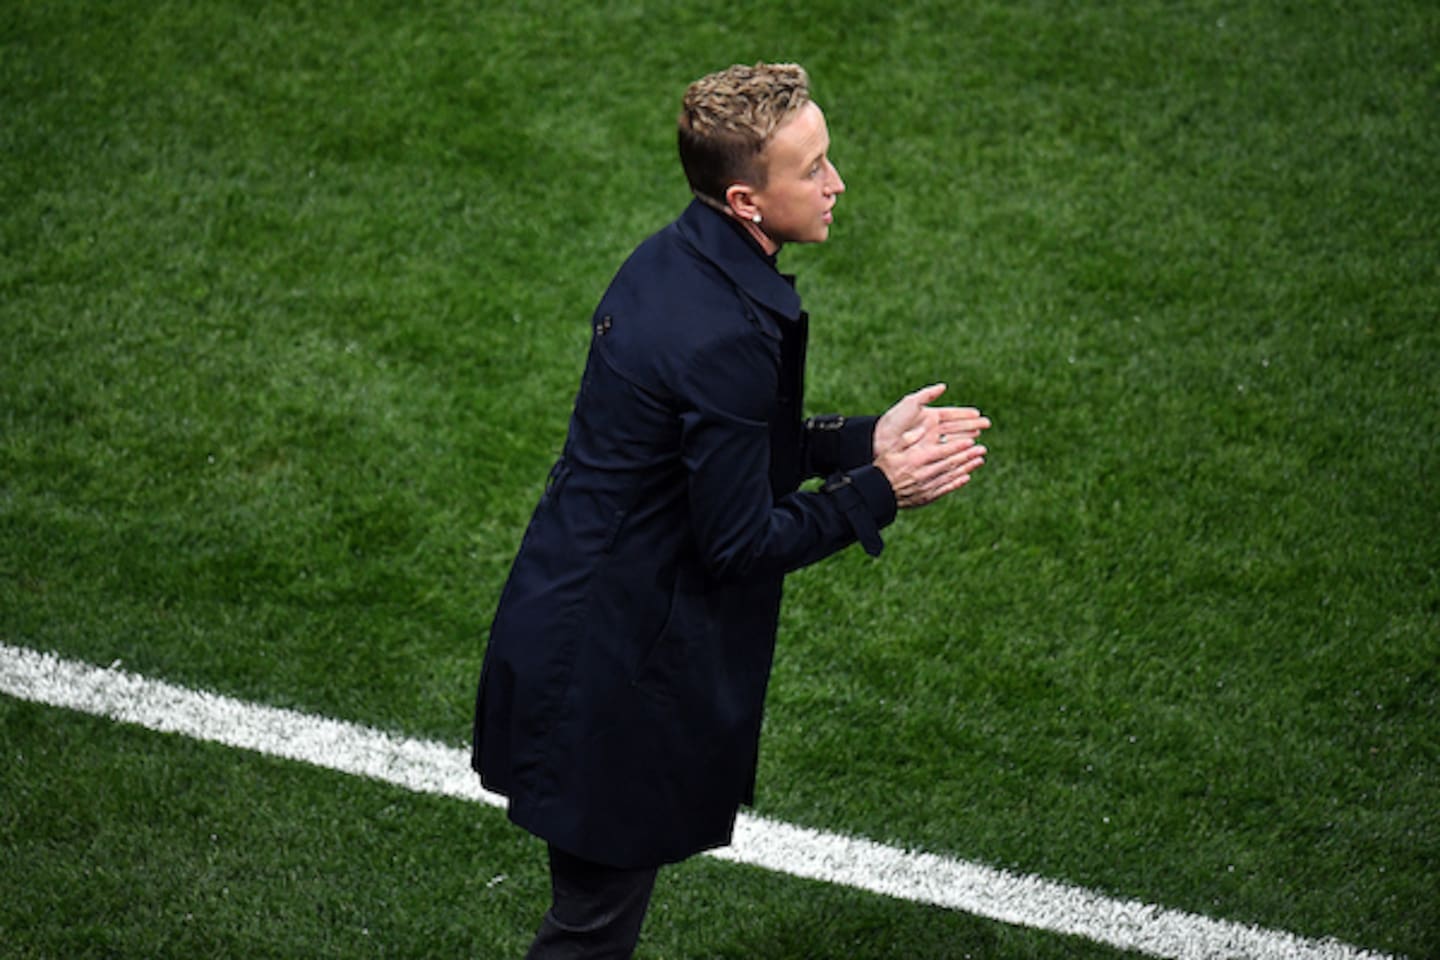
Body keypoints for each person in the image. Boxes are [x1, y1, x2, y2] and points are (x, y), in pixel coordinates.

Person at [471, 62, 990, 959]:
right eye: (813, 169)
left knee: (593, 924)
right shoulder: (717, 332)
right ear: (749, 201)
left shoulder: (673, 262)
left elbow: (719, 451)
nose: (837, 184)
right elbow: (739, 538)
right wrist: (882, 492)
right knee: (589, 935)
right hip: (612, 676)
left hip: (586, 627)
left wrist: (861, 440)